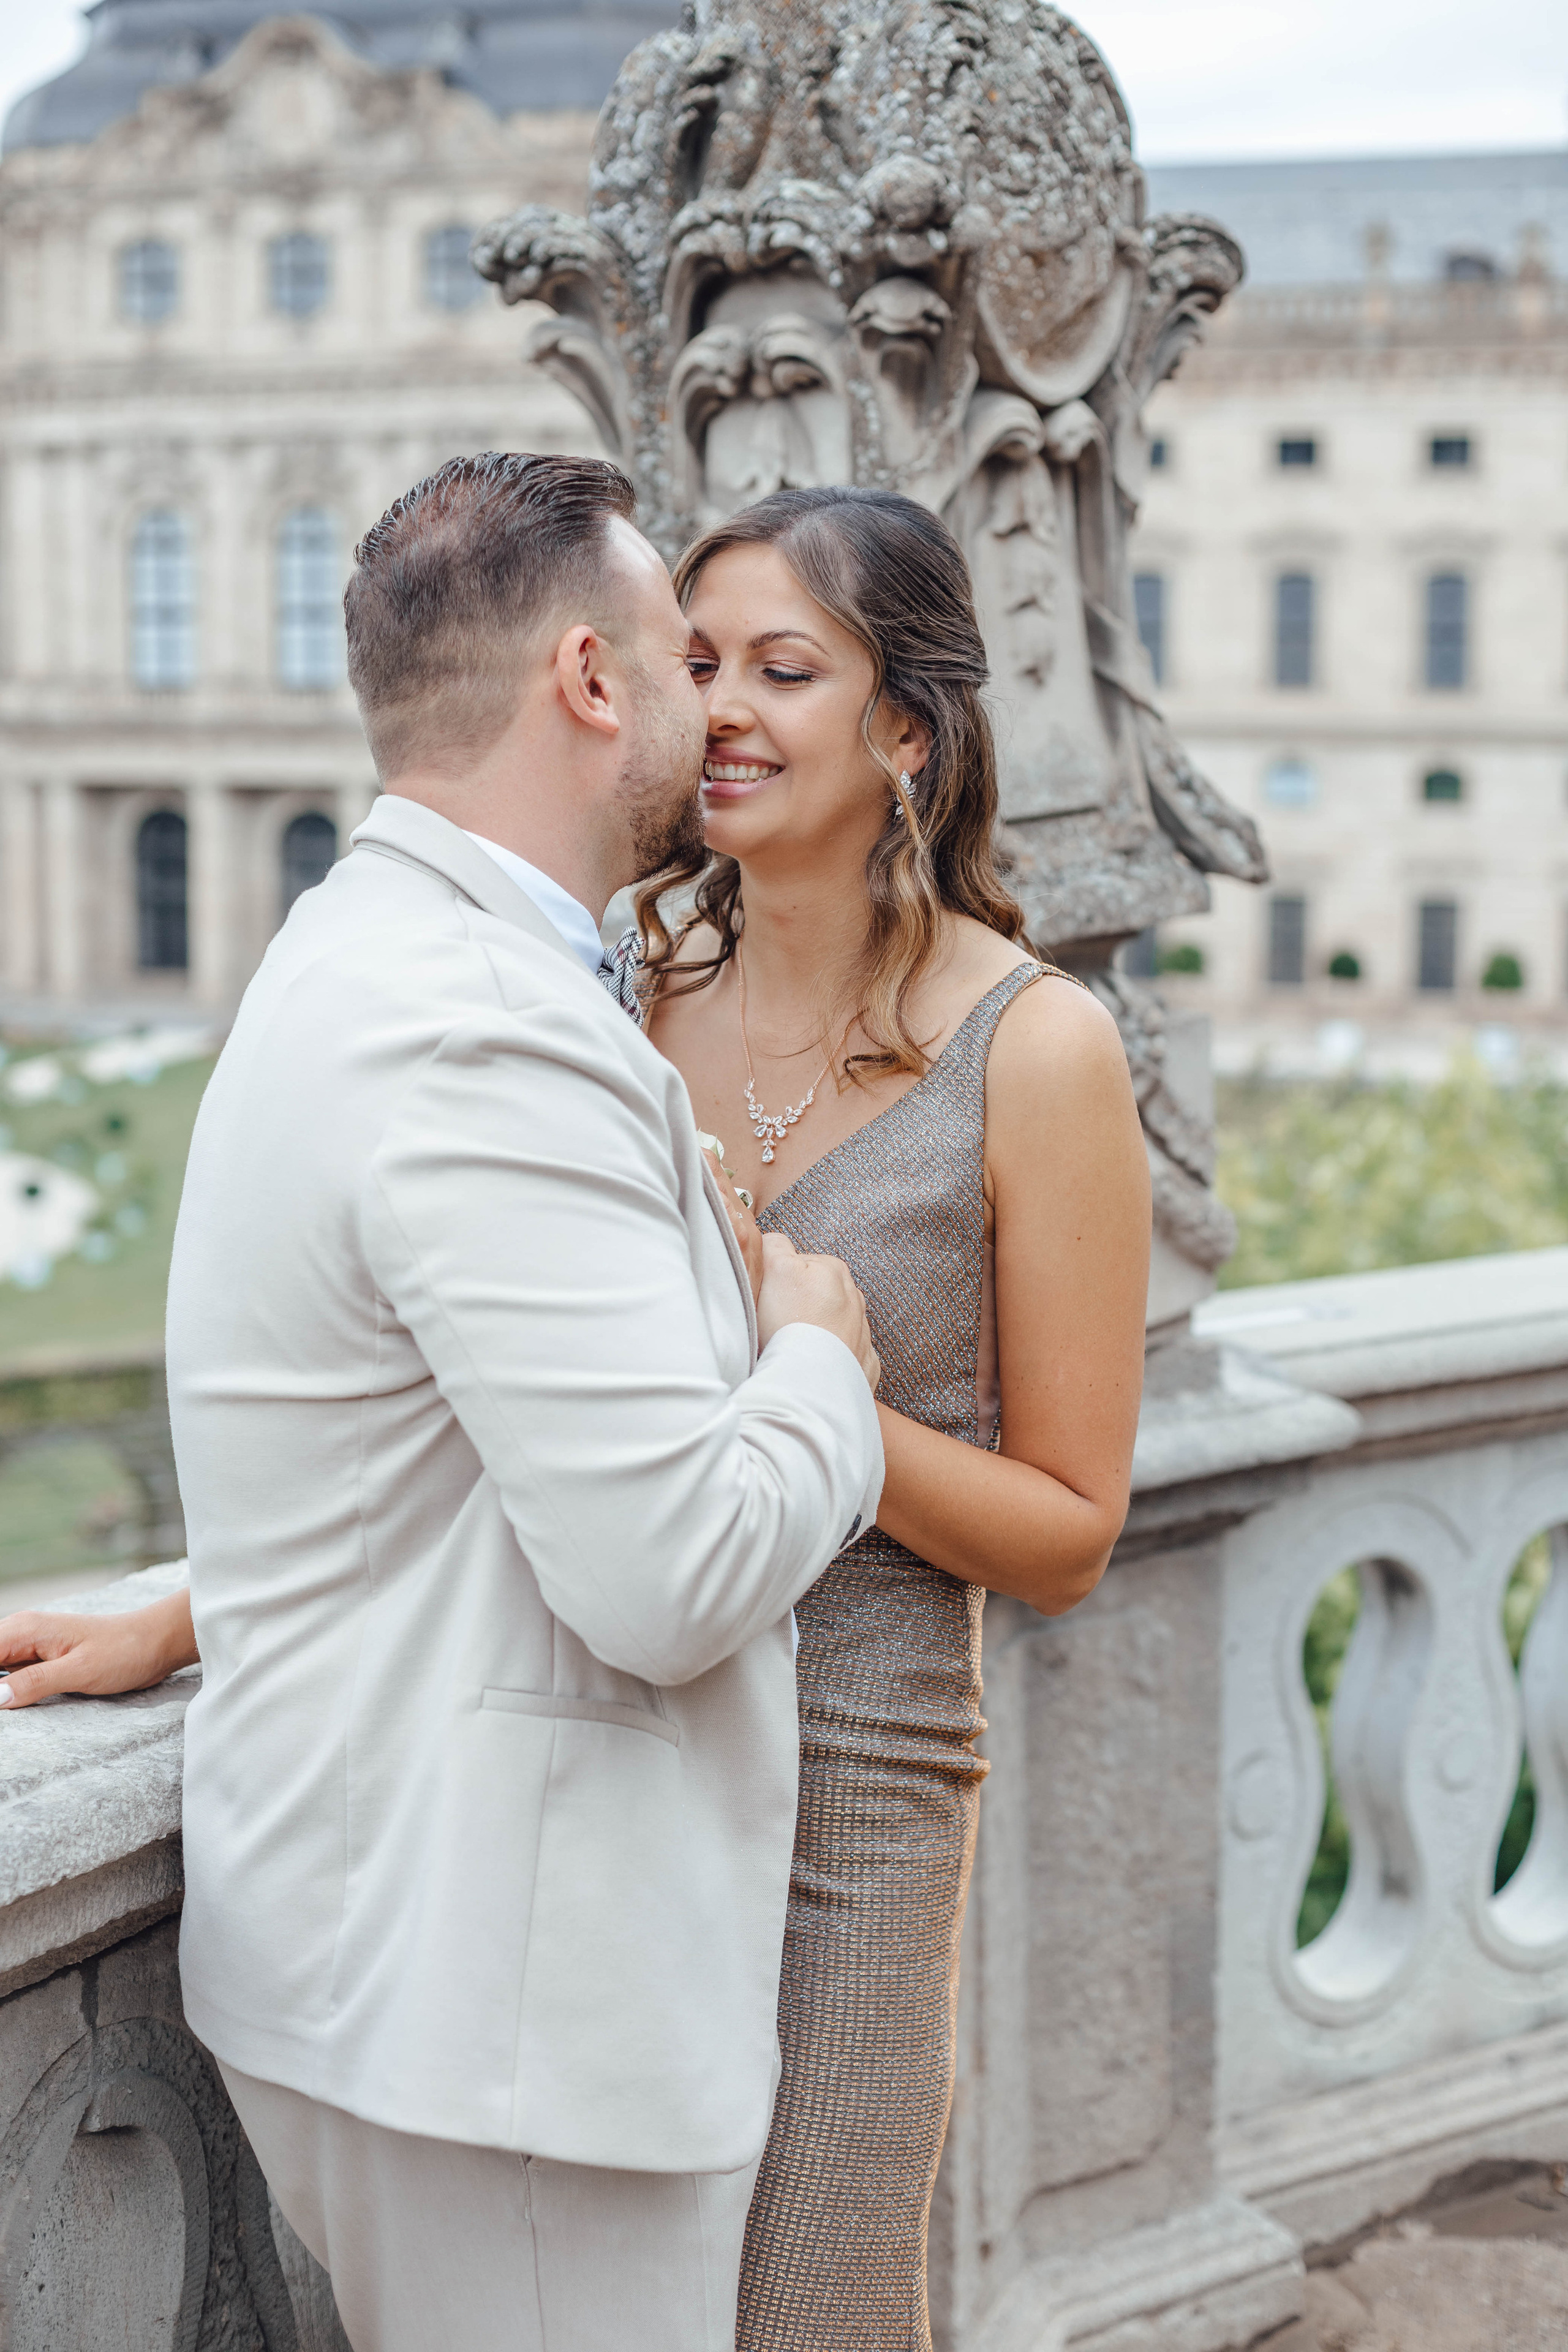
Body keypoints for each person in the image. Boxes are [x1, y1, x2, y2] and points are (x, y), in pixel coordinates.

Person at [1, 478, 1151, 2351]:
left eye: (783, 667)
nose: (720, 709)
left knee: (820, 2314)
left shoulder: (1036, 1048)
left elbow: (1074, 1526)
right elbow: (524, 1419)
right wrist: (213, 1597)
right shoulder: (621, 987)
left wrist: (818, 1387)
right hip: (619, 1788)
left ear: (909, 730)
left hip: (852, 1785)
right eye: (698, 661)